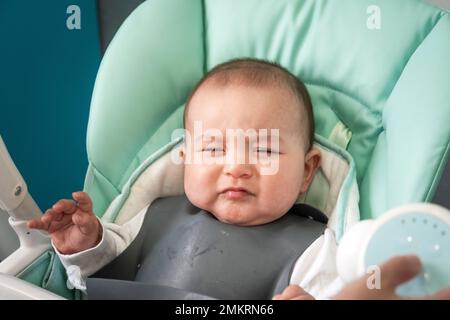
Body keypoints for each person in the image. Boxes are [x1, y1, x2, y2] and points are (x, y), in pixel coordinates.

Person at [27, 58, 450, 300]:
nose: (237, 167)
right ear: (186, 159)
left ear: (306, 171)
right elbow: (100, 279)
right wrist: (86, 247)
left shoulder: (315, 250)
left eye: (264, 150)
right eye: (213, 149)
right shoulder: (156, 216)